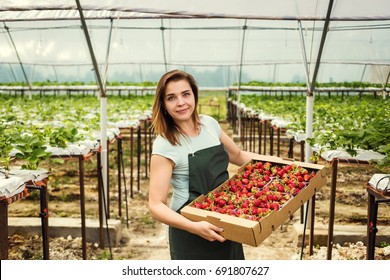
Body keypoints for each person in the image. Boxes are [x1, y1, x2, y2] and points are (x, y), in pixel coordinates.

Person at [148, 69, 262, 260]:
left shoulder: (209, 125)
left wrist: (276, 163)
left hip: (226, 218)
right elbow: (156, 205)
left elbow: (238, 155)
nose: (181, 102)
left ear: (194, 95)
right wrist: (194, 227)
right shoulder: (165, 143)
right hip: (190, 229)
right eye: (171, 98)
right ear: (163, 104)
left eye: (186, 94)